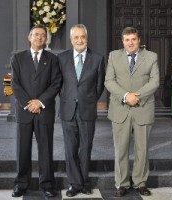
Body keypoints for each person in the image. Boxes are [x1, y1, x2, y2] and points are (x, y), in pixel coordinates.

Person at [104, 27, 159, 197]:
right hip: (121, 108)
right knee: (120, 149)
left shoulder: (151, 57)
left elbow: (155, 81)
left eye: (133, 39)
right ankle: (122, 184)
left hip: (143, 108)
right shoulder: (114, 56)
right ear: (122, 42)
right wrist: (126, 96)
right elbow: (109, 81)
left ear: (139, 40)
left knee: (142, 149)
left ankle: (140, 182)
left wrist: (137, 96)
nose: (130, 43)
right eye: (127, 40)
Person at [10, 24, 62, 198]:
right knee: (22, 149)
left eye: (42, 35)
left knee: (46, 150)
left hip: (44, 110)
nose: (39, 37)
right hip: (25, 111)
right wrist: (28, 103)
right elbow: (15, 84)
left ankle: (47, 184)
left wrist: (40, 102)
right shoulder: (17, 58)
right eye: (36, 34)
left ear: (46, 39)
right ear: (29, 37)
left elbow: (56, 83)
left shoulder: (53, 59)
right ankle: (21, 184)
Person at [57, 24, 105, 197]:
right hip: (68, 110)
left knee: (86, 147)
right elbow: (58, 84)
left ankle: (84, 181)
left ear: (87, 38)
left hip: (87, 109)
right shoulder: (61, 58)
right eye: (76, 37)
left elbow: (99, 87)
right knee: (70, 148)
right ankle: (74, 183)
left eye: (82, 37)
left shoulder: (98, 59)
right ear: (71, 40)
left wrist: (89, 99)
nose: (79, 40)